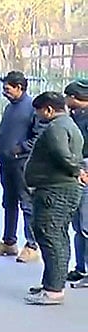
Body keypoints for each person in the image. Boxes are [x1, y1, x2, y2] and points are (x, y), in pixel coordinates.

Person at [23, 92, 85, 306]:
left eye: (39, 111)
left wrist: (77, 171)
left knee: (50, 235)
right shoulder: (67, 124)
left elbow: (62, 155)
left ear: (48, 109)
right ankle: (51, 282)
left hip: (55, 191)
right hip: (58, 189)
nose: (37, 116)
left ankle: (53, 290)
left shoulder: (56, 128)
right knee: (56, 235)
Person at [0, 71, 43, 263]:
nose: (4, 92)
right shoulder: (10, 107)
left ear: (19, 87)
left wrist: (21, 148)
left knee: (27, 203)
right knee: (8, 202)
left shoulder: (33, 108)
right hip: (7, 163)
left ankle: (31, 246)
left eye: (7, 88)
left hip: (23, 164)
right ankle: (9, 242)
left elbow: (39, 136)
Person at [63, 80, 88, 285]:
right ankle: (81, 268)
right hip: (76, 168)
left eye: (68, 96)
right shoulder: (75, 116)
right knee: (79, 224)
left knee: (86, 224)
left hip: (85, 168)